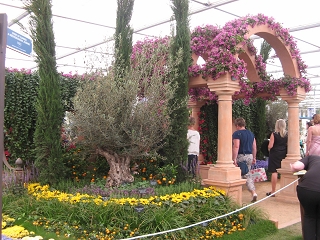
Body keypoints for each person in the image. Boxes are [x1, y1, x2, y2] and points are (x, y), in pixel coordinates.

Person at [290, 155, 320, 240]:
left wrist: (292, 167)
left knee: (309, 216)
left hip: (306, 190)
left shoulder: (311, 158)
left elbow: (296, 166)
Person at [232, 118, 258, 203]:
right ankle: (253, 192)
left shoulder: (237, 134)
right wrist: (254, 157)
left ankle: (235, 195)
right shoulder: (251, 134)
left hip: (241, 156)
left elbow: (236, 146)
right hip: (249, 155)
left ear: (237, 125)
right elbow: (254, 147)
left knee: (236, 175)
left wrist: (234, 158)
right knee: (247, 174)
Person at [266, 119, 288, 197]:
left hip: (275, 153)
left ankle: (273, 191)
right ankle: (284, 190)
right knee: (283, 172)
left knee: (274, 172)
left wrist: (268, 148)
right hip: (283, 153)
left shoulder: (274, 134)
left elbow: (270, 146)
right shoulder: (287, 134)